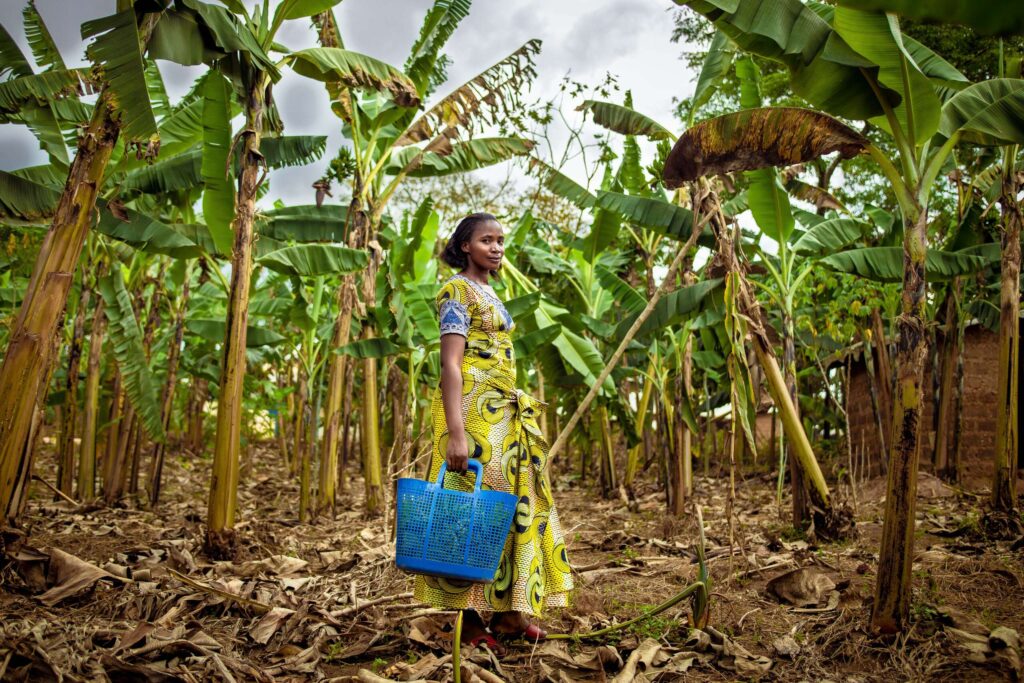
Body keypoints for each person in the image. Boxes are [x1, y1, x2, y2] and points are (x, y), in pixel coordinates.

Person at [412, 212, 573, 652]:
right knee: (468, 507)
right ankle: (467, 617)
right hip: (471, 413)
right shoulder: (456, 291)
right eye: (487, 240)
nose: (497, 247)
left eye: (501, 240)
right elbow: (450, 365)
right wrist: (455, 434)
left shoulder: (491, 292)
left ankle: (508, 613)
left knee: (513, 504)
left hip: (505, 411)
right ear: (466, 246)